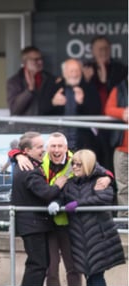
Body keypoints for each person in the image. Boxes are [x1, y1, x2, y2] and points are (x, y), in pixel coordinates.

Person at [10, 133, 84, 286]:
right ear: (27, 151)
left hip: (45, 224)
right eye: (40, 147)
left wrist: (16, 154)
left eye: (44, 146)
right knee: (38, 266)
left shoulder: (29, 164)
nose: (43, 150)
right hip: (34, 225)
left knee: (41, 266)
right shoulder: (30, 170)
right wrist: (58, 186)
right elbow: (46, 192)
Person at [53, 149, 126, 286]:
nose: (75, 167)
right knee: (89, 276)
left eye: (79, 164)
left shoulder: (100, 180)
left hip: (99, 235)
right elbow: (61, 197)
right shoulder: (70, 183)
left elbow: (104, 198)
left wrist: (79, 204)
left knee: (96, 275)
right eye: (74, 164)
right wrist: (56, 202)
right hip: (79, 237)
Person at [42, 58, 102, 153]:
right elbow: (41, 110)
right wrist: (53, 103)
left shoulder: (89, 88)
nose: (74, 74)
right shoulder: (54, 87)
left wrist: (82, 103)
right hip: (57, 140)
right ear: (64, 73)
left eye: (77, 71)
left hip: (83, 142)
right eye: (71, 71)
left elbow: (97, 112)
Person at [6, 46, 56, 116]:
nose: (40, 62)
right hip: (25, 125)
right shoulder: (15, 82)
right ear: (25, 62)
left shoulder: (50, 79)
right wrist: (29, 90)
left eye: (41, 59)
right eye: (36, 60)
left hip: (46, 124)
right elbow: (14, 110)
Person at [83, 36, 128, 107]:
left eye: (106, 48)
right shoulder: (86, 68)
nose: (104, 52)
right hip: (92, 112)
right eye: (100, 49)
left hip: (115, 111)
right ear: (93, 51)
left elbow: (122, 91)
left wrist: (104, 80)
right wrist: (86, 80)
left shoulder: (121, 68)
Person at [105, 80, 128, 220]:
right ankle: (125, 218)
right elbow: (108, 109)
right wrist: (123, 113)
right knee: (123, 185)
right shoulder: (119, 89)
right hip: (122, 147)